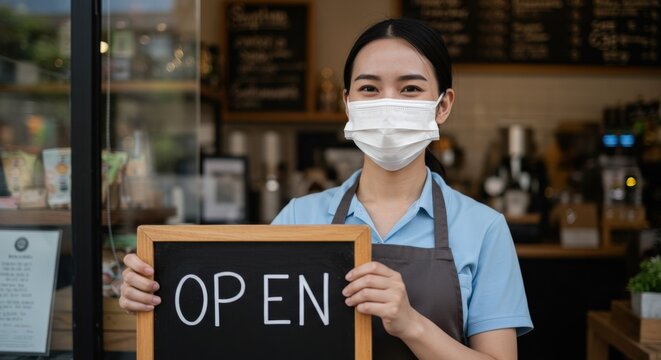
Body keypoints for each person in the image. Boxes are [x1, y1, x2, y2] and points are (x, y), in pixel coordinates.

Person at [120, 18, 533, 359]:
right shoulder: (300, 217)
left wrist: (411, 325)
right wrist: (159, 294)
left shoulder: (484, 229)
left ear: (442, 105)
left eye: (410, 88)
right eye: (369, 88)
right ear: (348, 103)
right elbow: (239, 328)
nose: (387, 103)